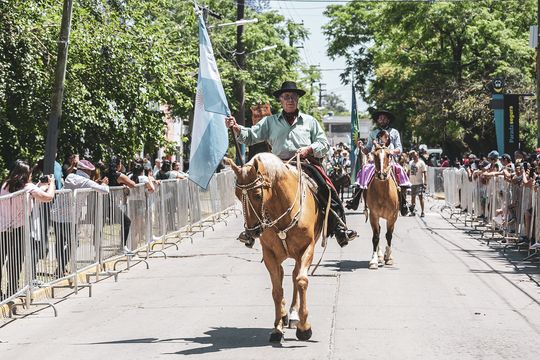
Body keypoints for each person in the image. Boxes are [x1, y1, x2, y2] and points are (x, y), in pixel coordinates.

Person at [225, 81, 357, 247]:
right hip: (277, 165)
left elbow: (323, 143)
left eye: (293, 97)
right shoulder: (270, 122)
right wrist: (236, 128)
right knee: (254, 192)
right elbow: (250, 136)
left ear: (298, 100)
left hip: (305, 164)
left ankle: (339, 228)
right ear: (280, 100)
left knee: (327, 188)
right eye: (286, 97)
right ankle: (251, 230)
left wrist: (309, 149)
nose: (290, 100)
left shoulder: (310, 121)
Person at [0, 160, 55, 299]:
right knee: (15, 261)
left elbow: (28, 191)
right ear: (25, 173)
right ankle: (12, 290)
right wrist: (52, 183)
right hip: (18, 229)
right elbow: (48, 197)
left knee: (2, 261)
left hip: (2, 228)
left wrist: (39, 186)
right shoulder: (27, 187)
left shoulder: (5, 185)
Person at [345, 110, 411, 215]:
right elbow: (367, 149)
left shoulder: (394, 132)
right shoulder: (373, 133)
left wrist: (390, 152)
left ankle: (403, 202)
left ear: (388, 120)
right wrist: (361, 147)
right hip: (375, 161)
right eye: (380, 118)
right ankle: (356, 198)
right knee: (364, 170)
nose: (382, 120)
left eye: (384, 118)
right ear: (378, 120)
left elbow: (399, 148)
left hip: (389, 160)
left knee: (400, 171)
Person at [52, 160, 109, 275]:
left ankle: (60, 268)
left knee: (60, 242)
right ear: (87, 171)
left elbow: (82, 183)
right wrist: (103, 184)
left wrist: (94, 183)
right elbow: (104, 190)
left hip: (56, 214)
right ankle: (61, 267)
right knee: (74, 242)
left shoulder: (70, 176)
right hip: (68, 218)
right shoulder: (85, 181)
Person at [104, 156, 136, 252]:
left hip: (102, 202)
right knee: (126, 222)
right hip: (109, 203)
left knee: (99, 226)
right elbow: (133, 184)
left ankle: (96, 251)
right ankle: (123, 246)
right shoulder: (118, 175)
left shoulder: (105, 173)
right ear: (118, 165)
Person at [408, 150, 427, 217]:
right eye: (413, 156)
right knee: (412, 197)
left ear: (417, 155)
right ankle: (413, 211)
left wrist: (425, 183)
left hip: (419, 183)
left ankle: (422, 211)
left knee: (420, 197)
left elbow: (424, 173)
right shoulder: (410, 163)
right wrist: (408, 181)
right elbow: (409, 172)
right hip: (412, 183)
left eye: (415, 155)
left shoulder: (421, 163)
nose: (414, 157)